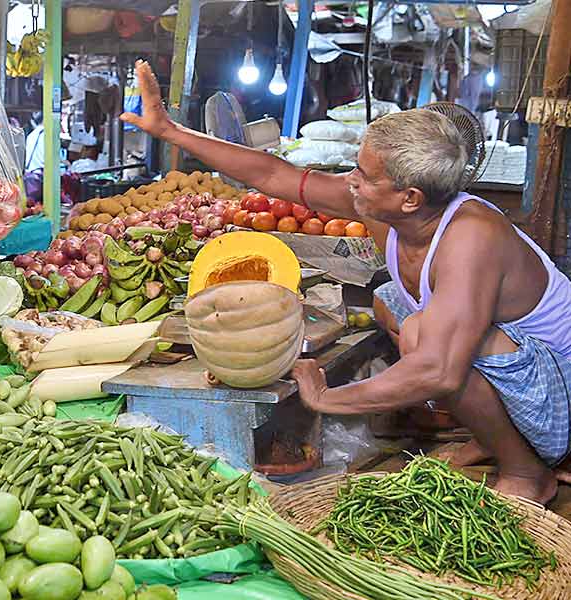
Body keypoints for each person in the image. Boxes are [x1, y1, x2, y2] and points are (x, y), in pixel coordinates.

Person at [122, 60, 571, 503]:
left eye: (364, 175)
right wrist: (171, 131)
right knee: (391, 302)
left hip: (557, 398)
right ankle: (491, 435)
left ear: (409, 197)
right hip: (519, 372)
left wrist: (327, 398)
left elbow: (439, 369)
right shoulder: (391, 209)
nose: (350, 182)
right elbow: (274, 174)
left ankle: (527, 470)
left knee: (424, 337)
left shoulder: (472, 236)